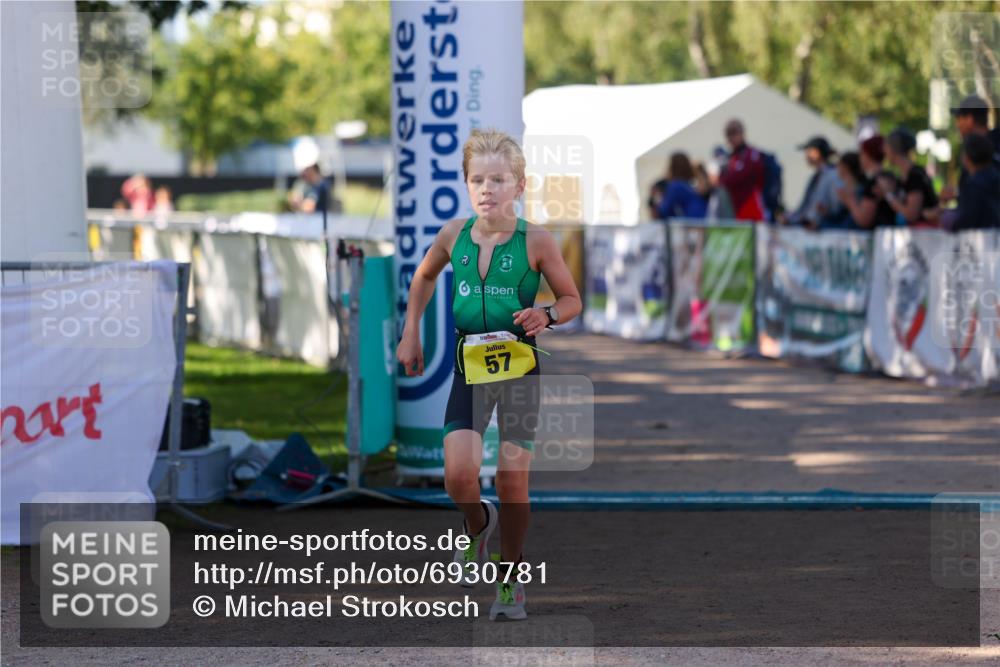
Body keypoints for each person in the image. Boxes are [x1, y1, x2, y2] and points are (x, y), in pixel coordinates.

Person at [396, 129, 582, 621]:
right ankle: (478, 525)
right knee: (459, 478)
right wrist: (411, 330)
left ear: (519, 185)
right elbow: (425, 276)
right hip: (470, 367)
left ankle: (511, 580)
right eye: (477, 179)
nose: (487, 189)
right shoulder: (453, 235)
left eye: (498, 180)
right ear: (466, 183)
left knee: (512, 481)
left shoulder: (536, 240)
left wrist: (548, 315)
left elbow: (571, 298)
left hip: (520, 368)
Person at [942, 94, 1000, 201]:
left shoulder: (991, 148)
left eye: (959, 118)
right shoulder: (971, 148)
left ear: (969, 119)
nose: (957, 125)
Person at [880, 127, 939, 227]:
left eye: (886, 147)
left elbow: (911, 215)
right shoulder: (904, 175)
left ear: (893, 149)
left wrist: (889, 194)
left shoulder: (915, 176)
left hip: (924, 236)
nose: (884, 152)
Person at [940, 133, 1000, 231]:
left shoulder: (972, 185)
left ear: (966, 158)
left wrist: (947, 219)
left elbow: (967, 221)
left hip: (984, 241)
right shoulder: (995, 177)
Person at [785, 136, 842, 229]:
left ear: (817, 152)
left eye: (809, 151)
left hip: (822, 228)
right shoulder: (817, 176)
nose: (806, 156)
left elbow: (834, 208)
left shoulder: (832, 175)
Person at [838, 135, 895, 229]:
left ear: (867, 155)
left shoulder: (875, 182)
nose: (860, 159)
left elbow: (864, 220)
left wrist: (850, 201)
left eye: (861, 154)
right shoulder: (888, 176)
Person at [719, 119, 767, 222]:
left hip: (751, 210)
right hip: (735, 211)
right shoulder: (730, 158)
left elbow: (733, 178)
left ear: (742, 133)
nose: (731, 138)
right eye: (728, 134)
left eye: (734, 133)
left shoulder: (751, 155)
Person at [655, 152, 707, 220]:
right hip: (702, 218)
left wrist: (658, 200)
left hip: (694, 222)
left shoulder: (676, 185)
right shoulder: (688, 183)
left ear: (672, 167)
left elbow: (664, 210)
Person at [826, 151, 865, 229]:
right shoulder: (846, 188)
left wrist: (849, 201)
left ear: (846, 167)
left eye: (839, 165)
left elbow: (850, 222)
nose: (837, 168)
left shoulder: (859, 190)